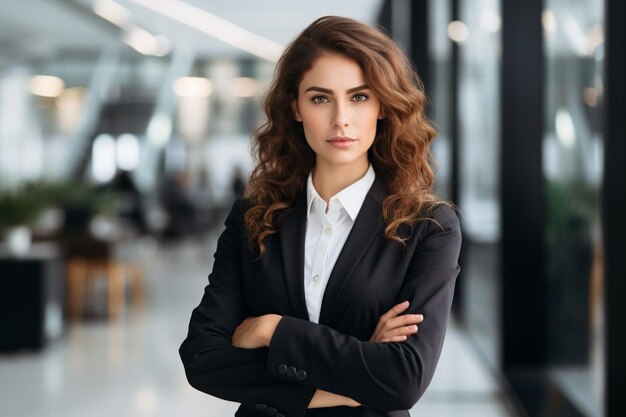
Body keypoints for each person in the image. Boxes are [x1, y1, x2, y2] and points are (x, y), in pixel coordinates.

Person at [179, 15, 462, 417]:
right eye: (320, 98)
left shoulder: (427, 227)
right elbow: (203, 358)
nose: (341, 118)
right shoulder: (251, 218)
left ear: (383, 105)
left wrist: (271, 329)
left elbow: (403, 379)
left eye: (359, 97)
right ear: (295, 107)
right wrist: (351, 375)